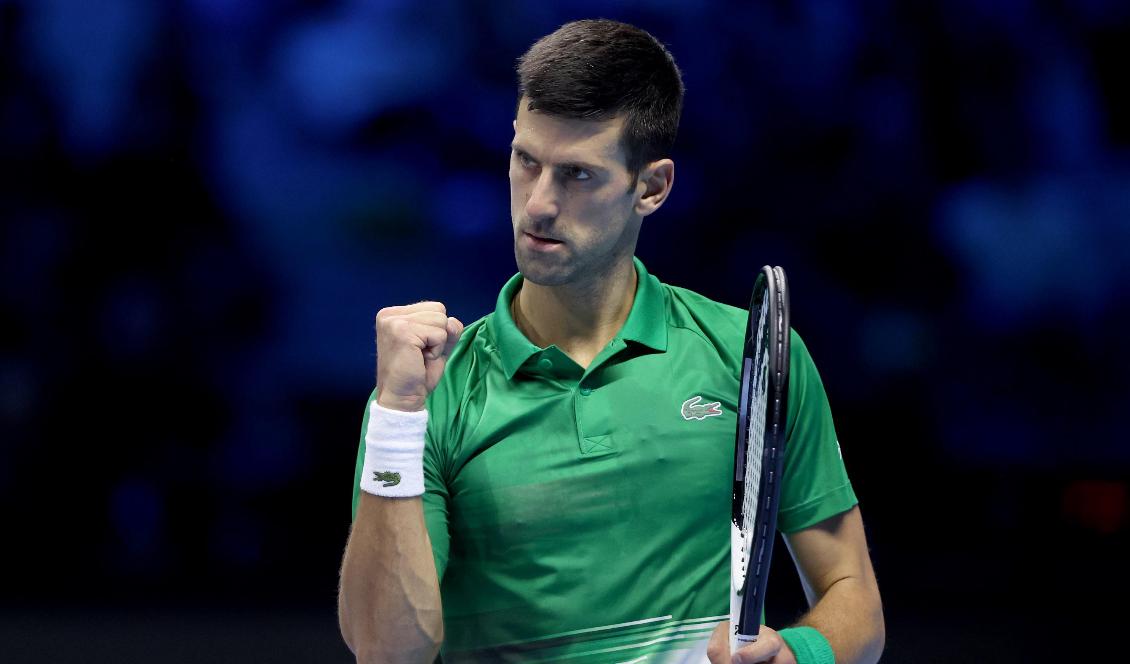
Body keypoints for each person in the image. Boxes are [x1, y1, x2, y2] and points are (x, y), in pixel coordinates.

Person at [338, 19, 884, 664]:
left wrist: (796, 655)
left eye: (577, 175)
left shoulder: (751, 357)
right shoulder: (429, 394)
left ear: (650, 188)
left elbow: (855, 600)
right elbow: (385, 651)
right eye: (525, 160)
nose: (538, 203)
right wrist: (397, 418)